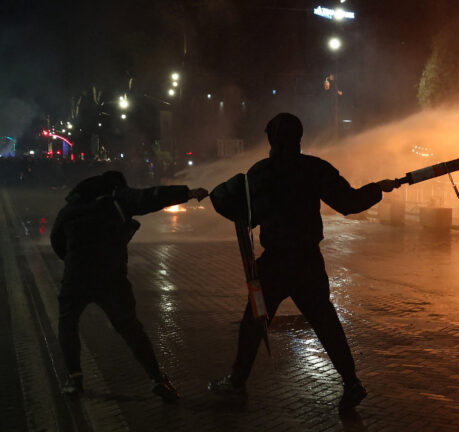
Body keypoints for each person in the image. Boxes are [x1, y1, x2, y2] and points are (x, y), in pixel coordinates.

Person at [207, 112, 398, 411]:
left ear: (271, 138)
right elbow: (349, 203)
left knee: (253, 323)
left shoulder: (261, 172)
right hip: (308, 261)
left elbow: (242, 212)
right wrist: (377, 189)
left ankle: (236, 381)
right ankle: (351, 383)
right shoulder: (314, 169)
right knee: (326, 323)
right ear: (299, 137)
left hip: (274, 264)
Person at [50, 170, 208, 400]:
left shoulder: (69, 210)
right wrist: (187, 193)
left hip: (76, 277)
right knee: (130, 328)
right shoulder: (117, 201)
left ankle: (74, 380)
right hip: (111, 277)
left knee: (68, 324)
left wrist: (76, 260)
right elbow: (151, 197)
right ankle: (157, 379)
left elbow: (57, 242)